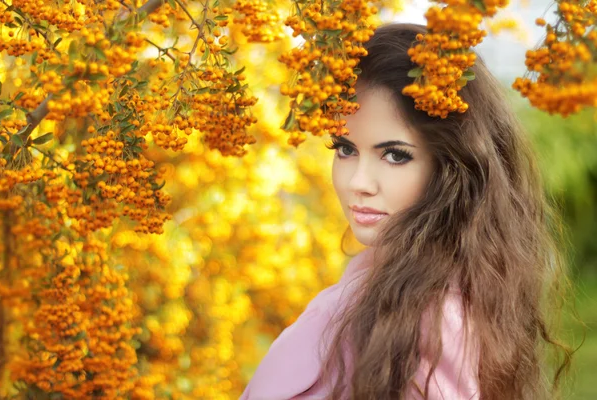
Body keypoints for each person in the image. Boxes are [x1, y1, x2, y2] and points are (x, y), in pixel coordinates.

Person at [240, 22, 572, 399]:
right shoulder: (373, 286)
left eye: (395, 155)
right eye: (345, 149)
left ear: (450, 168)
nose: (358, 182)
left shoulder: (431, 320)